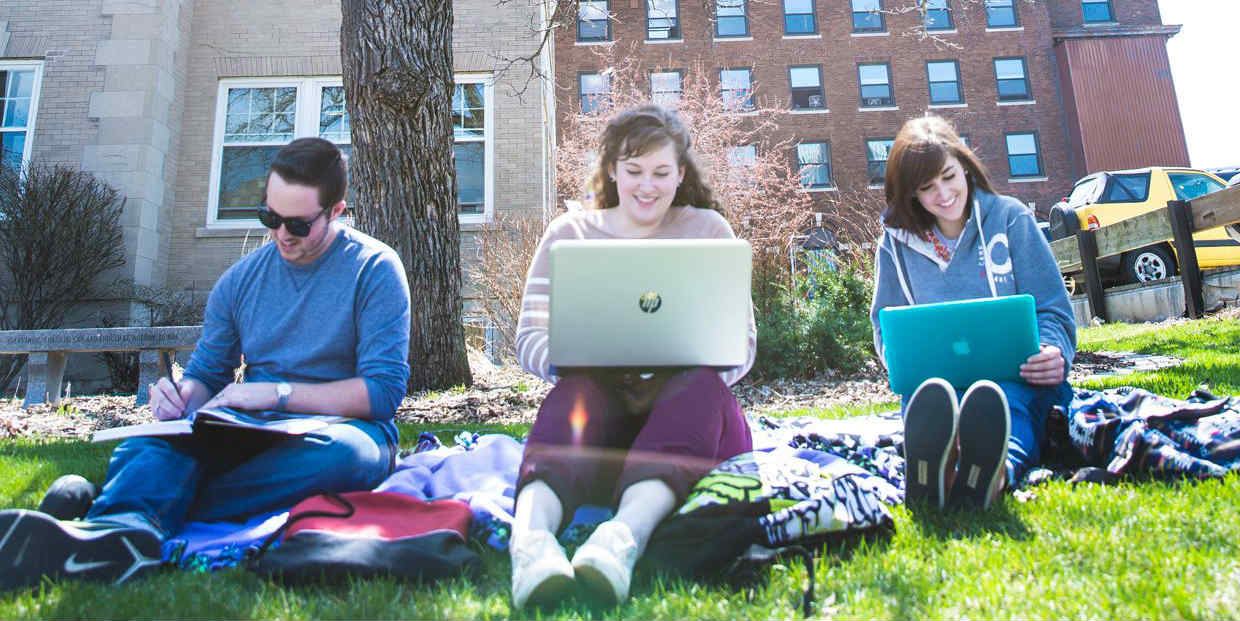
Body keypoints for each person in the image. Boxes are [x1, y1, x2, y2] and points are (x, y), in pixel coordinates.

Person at [0, 137, 411, 590]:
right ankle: (116, 531)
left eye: (297, 223)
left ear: (336, 212)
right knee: (152, 443)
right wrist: (180, 397)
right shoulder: (239, 281)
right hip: (248, 429)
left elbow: (382, 392)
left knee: (347, 458)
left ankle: (115, 513)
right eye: (269, 217)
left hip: (338, 429)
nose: (281, 234)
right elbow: (207, 376)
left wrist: (277, 393)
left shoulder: (375, 268)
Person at [509, 104, 756, 609]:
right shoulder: (570, 234)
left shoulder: (708, 231)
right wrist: (585, 355)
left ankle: (621, 541)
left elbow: (742, 344)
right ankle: (531, 545)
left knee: (700, 386)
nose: (648, 186)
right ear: (613, 172)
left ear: (680, 174)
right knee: (575, 394)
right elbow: (528, 338)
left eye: (662, 173)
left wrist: (680, 357)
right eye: (635, 171)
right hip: (600, 425)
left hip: (691, 427)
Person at [870, 115, 1075, 511]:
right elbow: (886, 325)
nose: (944, 194)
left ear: (964, 165)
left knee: (1000, 403)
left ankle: (992, 474)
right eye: (927, 188)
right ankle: (935, 470)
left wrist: (1054, 351)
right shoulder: (893, 244)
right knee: (932, 400)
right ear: (911, 194)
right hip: (937, 386)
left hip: (1015, 377)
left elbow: (1053, 308)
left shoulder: (1010, 218)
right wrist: (899, 361)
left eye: (949, 176)